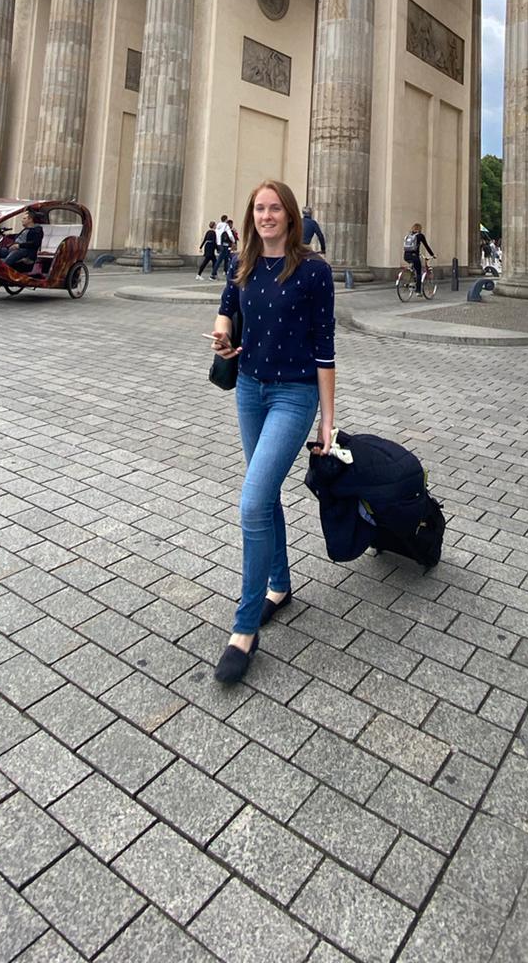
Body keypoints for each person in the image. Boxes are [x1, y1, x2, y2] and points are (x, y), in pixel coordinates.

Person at [209, 179, 335, 684]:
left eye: (274, 208)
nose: (265, 216)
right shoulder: (243, 263)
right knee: (264, 499)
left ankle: (244, 629)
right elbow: (226, 310)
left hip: (294, 395)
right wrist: (221, 338)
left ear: (290, 215)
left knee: (252, 502)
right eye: (258, 208)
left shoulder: (313, 271)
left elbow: (325, 348)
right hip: (249, 388)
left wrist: (328, 421)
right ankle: (278, 585)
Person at [402, 222, 435, 293]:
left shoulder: (408, 235)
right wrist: (432, 255)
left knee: (413, 266)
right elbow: (426, 246)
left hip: (406, 256)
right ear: (420, 229)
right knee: (419, 272)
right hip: (414, 256)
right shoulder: (420, 236)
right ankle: (418, 291)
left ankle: (410, 278)